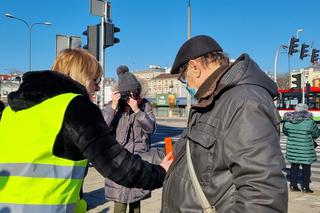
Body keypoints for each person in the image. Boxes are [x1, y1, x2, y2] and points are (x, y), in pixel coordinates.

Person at [0, 48, 172, 213]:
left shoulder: (10, 111)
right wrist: (160, 172)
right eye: (95, 80)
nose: (97, 87)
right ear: (81, 76)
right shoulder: (75, 106)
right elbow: (116, 164)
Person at [161, 35, 288, 212]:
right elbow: (182, 153)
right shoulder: (213, 101)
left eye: (184, 79)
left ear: (194, 67)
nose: (187, 85)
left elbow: (262, 193)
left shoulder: (245, 101)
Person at [102, 65, 156, 213]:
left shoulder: (144, 105)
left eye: (135, 94)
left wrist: (137, 111)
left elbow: (151, 128)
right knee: (119, 202)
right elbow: (102, 129)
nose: (132, 98)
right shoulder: (113, 106)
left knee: (136, 202)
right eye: (128, 94)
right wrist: (112, 106)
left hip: (139, 158)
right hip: (118, 159)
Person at [283, 103, 320, 193]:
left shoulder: (288, 122)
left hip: (293, 148)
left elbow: (285, 132)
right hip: (305, 148)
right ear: (306, 110)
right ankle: (305, 187)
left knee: (294, 167)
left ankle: (293, 186)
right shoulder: (310, 122)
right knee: (306, 168)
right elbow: (316, 134)